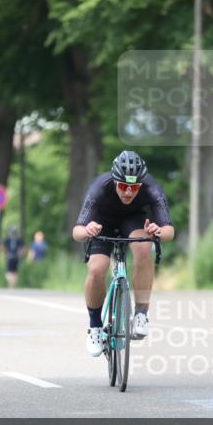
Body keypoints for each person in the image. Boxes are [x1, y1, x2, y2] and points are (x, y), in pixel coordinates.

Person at [72, 150, 174, 357]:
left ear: (141, 184)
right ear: (114, 181)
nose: (128, 192)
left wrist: (158, 231)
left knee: (144, 247)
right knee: (97, 269)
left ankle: (141, 314)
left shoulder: (152, 187)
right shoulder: (100, 187)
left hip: (133, 220)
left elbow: (169, 231)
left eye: (134, 187)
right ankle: (95, 327)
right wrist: (87, 230)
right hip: (102, 223)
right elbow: (77, 232)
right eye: (123, 186)